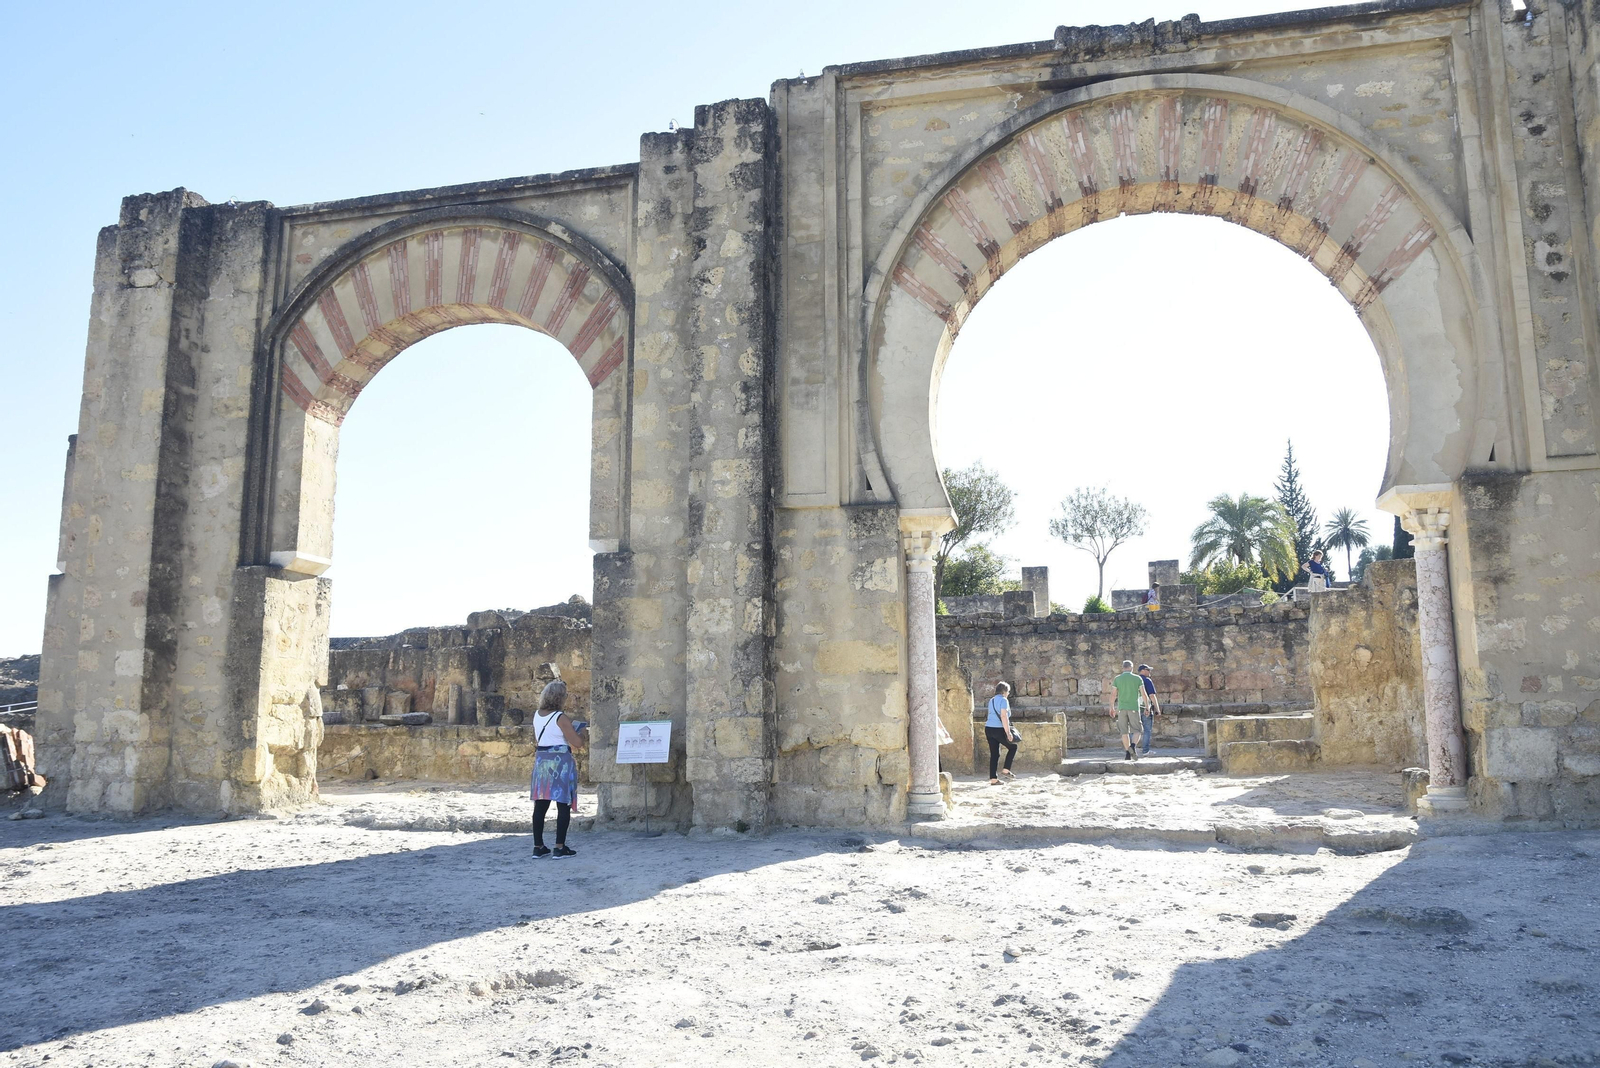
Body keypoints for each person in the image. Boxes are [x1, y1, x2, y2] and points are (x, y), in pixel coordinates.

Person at [528, 680, 587, 858]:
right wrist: (583, 732)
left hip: (541, 762)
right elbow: (577, 743)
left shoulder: (537, 715)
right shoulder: (560, 718)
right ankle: (559, 846)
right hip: (560, 763)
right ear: (560, 698)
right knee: (563, 805)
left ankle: (538, 846)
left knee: (540, 805)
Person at [1109, 660, 1144, 761]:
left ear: (1123, 668)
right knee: (1137, 730)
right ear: (1132, 668)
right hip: (1134, 707)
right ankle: (1132, 747)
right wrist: (1147, 706)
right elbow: (1144, 694)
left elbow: (1113, 694)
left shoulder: (1117, 679)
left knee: (1124, 732)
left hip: (1121, 708)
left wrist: (1111, 707)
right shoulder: (1137, 679)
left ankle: (1127, 754)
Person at [984, 681, 1019, 784]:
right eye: (1008, 692)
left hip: (988, 728)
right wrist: (1008, 733)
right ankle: (1006, 770)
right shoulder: (1004, 700)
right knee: (1013, 747)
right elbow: (1003, 716)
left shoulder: (992, 700)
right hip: (998, 729)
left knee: (994, 754)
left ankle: (993, 779)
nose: (1008, 694)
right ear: (1004, 691)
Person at [1137, 664, 1162, 755]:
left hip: (1135, 708)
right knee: (1147, 730)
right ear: (1143, 670)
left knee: (1134, 730)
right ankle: (1145, 751)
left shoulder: (1135, 680)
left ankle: (1132, 749)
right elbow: (1152, 695)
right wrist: (1157, 709)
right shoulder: (1147, 681)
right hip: (1145, 708)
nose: (1149, 672)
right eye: (1148, 670)